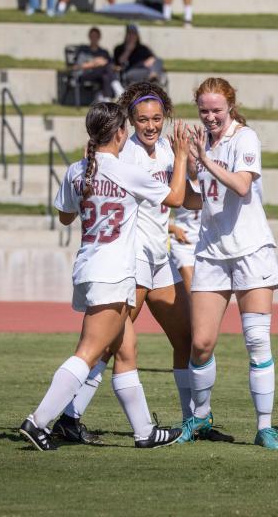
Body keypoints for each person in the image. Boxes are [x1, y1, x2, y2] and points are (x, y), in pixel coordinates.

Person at [52, 83, 234, 445]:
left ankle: (192, 422)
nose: (150, 126)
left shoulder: (167, 147)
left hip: (159, 258)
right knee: (107, 344)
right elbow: (171, 197)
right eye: (141, 120)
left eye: (156, 118)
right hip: (131, 258)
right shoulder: (125, 155)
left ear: (165, 116)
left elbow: (184, 198)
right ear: (129, 122)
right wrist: (185, 161)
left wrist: (222, 198)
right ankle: (68, 418)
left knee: (184, 338)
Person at [19, 102, 190, 451]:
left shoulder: (76, 170)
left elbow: (66, 216)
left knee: (126, 352)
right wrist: (183, 155)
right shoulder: (124, 169)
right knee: (89, 352)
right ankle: (38, 422)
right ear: (121, 133)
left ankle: (144, 432)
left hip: (88, 266)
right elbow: (174, 197)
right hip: (114, 272)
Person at [176, 77, 278, 450]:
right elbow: (198, 200)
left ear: (230, 106)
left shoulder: (245, 138)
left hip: (250, 249)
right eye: (203, 111)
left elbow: (241, 186)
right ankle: (202, 416)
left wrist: (204, 159)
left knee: (256, 340)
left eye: (216, 110)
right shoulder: (204, 142)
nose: (210, 117)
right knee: (202, 342)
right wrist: (184, 166)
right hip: (211, 250)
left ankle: (265, 426)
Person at [71, 27, 124, 102]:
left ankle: (106, 99)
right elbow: (76, 67)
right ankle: (118, 88)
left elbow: (110, 66)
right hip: (86, 74)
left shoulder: (103, 52)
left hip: (101, 75)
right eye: (92, 36)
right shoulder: (83, 51)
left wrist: (114, 67)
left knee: (105, 75)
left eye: (96, 36)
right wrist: (95, 63)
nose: (94, 38)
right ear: (89, 37)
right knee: (105, 66)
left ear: (99, 37)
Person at [169, 207, 200, 292]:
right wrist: (173, 228)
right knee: (194, 291)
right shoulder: (177, 193)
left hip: (206, 244)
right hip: (182, 244)